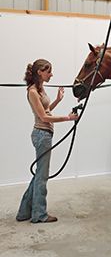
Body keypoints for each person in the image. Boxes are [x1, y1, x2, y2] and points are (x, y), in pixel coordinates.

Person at [16, 59, 78, 223]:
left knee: (39, 175)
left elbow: (46, 110)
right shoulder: (32, 92)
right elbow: (43, 117)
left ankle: (24, 212)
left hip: (45, 134)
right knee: (42, 177)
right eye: (48, 71)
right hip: (41, 135)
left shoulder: (40, 89)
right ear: (40, 72)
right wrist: (68, 118)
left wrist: (57, 100)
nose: (51, 74)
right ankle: (39, 214)